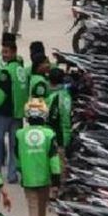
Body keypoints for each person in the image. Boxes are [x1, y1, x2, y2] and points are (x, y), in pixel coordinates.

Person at [14, 99, 60, 216]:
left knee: (33, 209)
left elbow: (17, 156)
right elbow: (54, 159)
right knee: (41, 209)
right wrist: (56, 181)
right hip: (45, 178)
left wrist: (21, 170)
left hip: (28, 178)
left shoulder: (20, 135)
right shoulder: (49, 134)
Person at [0, 33, 29, 185]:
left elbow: (0, 95)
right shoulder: (22, 71)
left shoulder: (6, 73)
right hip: (17, 113)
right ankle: (12, 174)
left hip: (3, 113)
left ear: (14, 52)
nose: (3, 55)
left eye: (6, 52)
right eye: (3, 52)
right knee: (14, 145)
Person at [40, 67, 73, 198]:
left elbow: (50, 118)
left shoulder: (52, 98)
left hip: (56, 135)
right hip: (66, 132)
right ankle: (61, 190)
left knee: (55, 164)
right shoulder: (67, 95)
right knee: (62, 163)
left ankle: (55, 192)